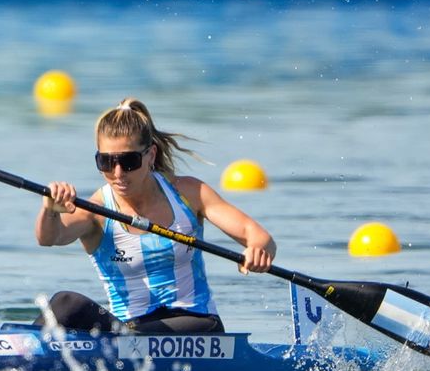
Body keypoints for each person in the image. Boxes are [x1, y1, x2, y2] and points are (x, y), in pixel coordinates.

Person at [34, 98, 276, 334]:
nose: (117, 173)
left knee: (135, 334)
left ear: (150, 155)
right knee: (65, 302)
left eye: (128, 161)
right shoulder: (96, 210)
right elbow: (49, 238)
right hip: (130, 331)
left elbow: (259, 237)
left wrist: (256, 251)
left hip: (196, 324)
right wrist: (50, 210)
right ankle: (15, 349)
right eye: (106, 161)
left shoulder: (190, 193)